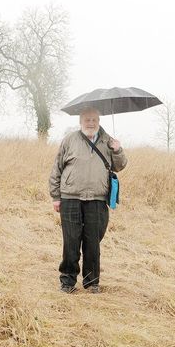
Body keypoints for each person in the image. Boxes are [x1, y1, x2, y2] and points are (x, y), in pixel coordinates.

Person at [48, 107, 127, 294]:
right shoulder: (70, 139)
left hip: (97, 199)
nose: (90, 123)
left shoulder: (109, 141)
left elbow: (120, 166)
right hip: (70, 198)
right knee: (71, 241)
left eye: (94, 119)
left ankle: (92, 283)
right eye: (87, 119)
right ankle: (67, 282)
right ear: (80, 121)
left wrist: (117, 150)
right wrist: (55, 197)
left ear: (99, 121)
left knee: (93, 243)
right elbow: (57, 168)